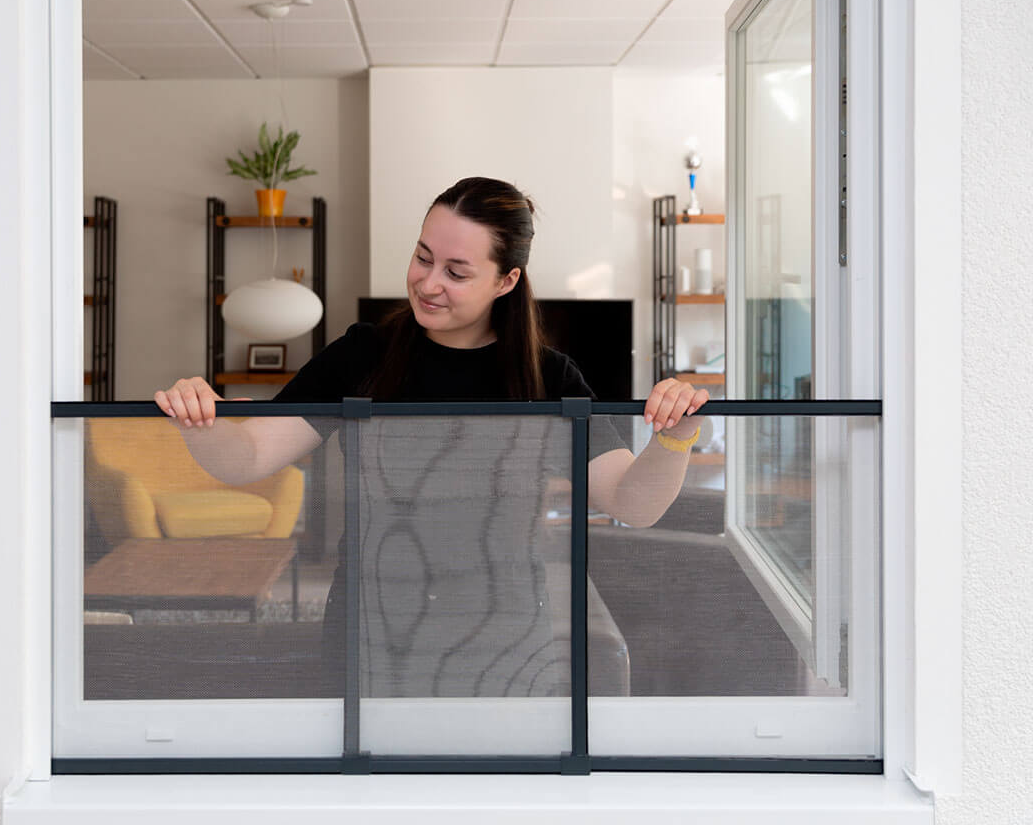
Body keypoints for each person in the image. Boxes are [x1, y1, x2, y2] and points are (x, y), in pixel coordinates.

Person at [155, 177, 710, 699]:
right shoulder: (360, 355)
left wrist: (676, 436)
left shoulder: (549, 377)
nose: (428, 282)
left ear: (506, 280)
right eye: (423, 257)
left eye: (457, 271)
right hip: (370, 631)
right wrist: (200, 422)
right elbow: (247, 458)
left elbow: (630, 502)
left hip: (506, 639)